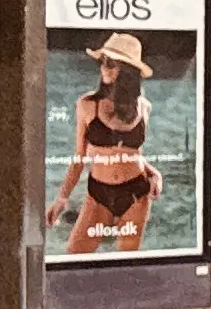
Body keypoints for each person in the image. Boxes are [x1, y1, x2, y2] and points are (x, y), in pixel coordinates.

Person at [44, 31, 161, 256]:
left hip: (136, 194)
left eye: (111, 63)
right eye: (103, 61)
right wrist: (62, 198)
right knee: (73, 258)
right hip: (98, 194)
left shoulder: (143, 107)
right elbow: (80, 157)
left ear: (127, 70)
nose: (104, 67)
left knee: (126, 265)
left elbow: (133, 153)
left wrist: (153, 172)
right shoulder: (87, 105)